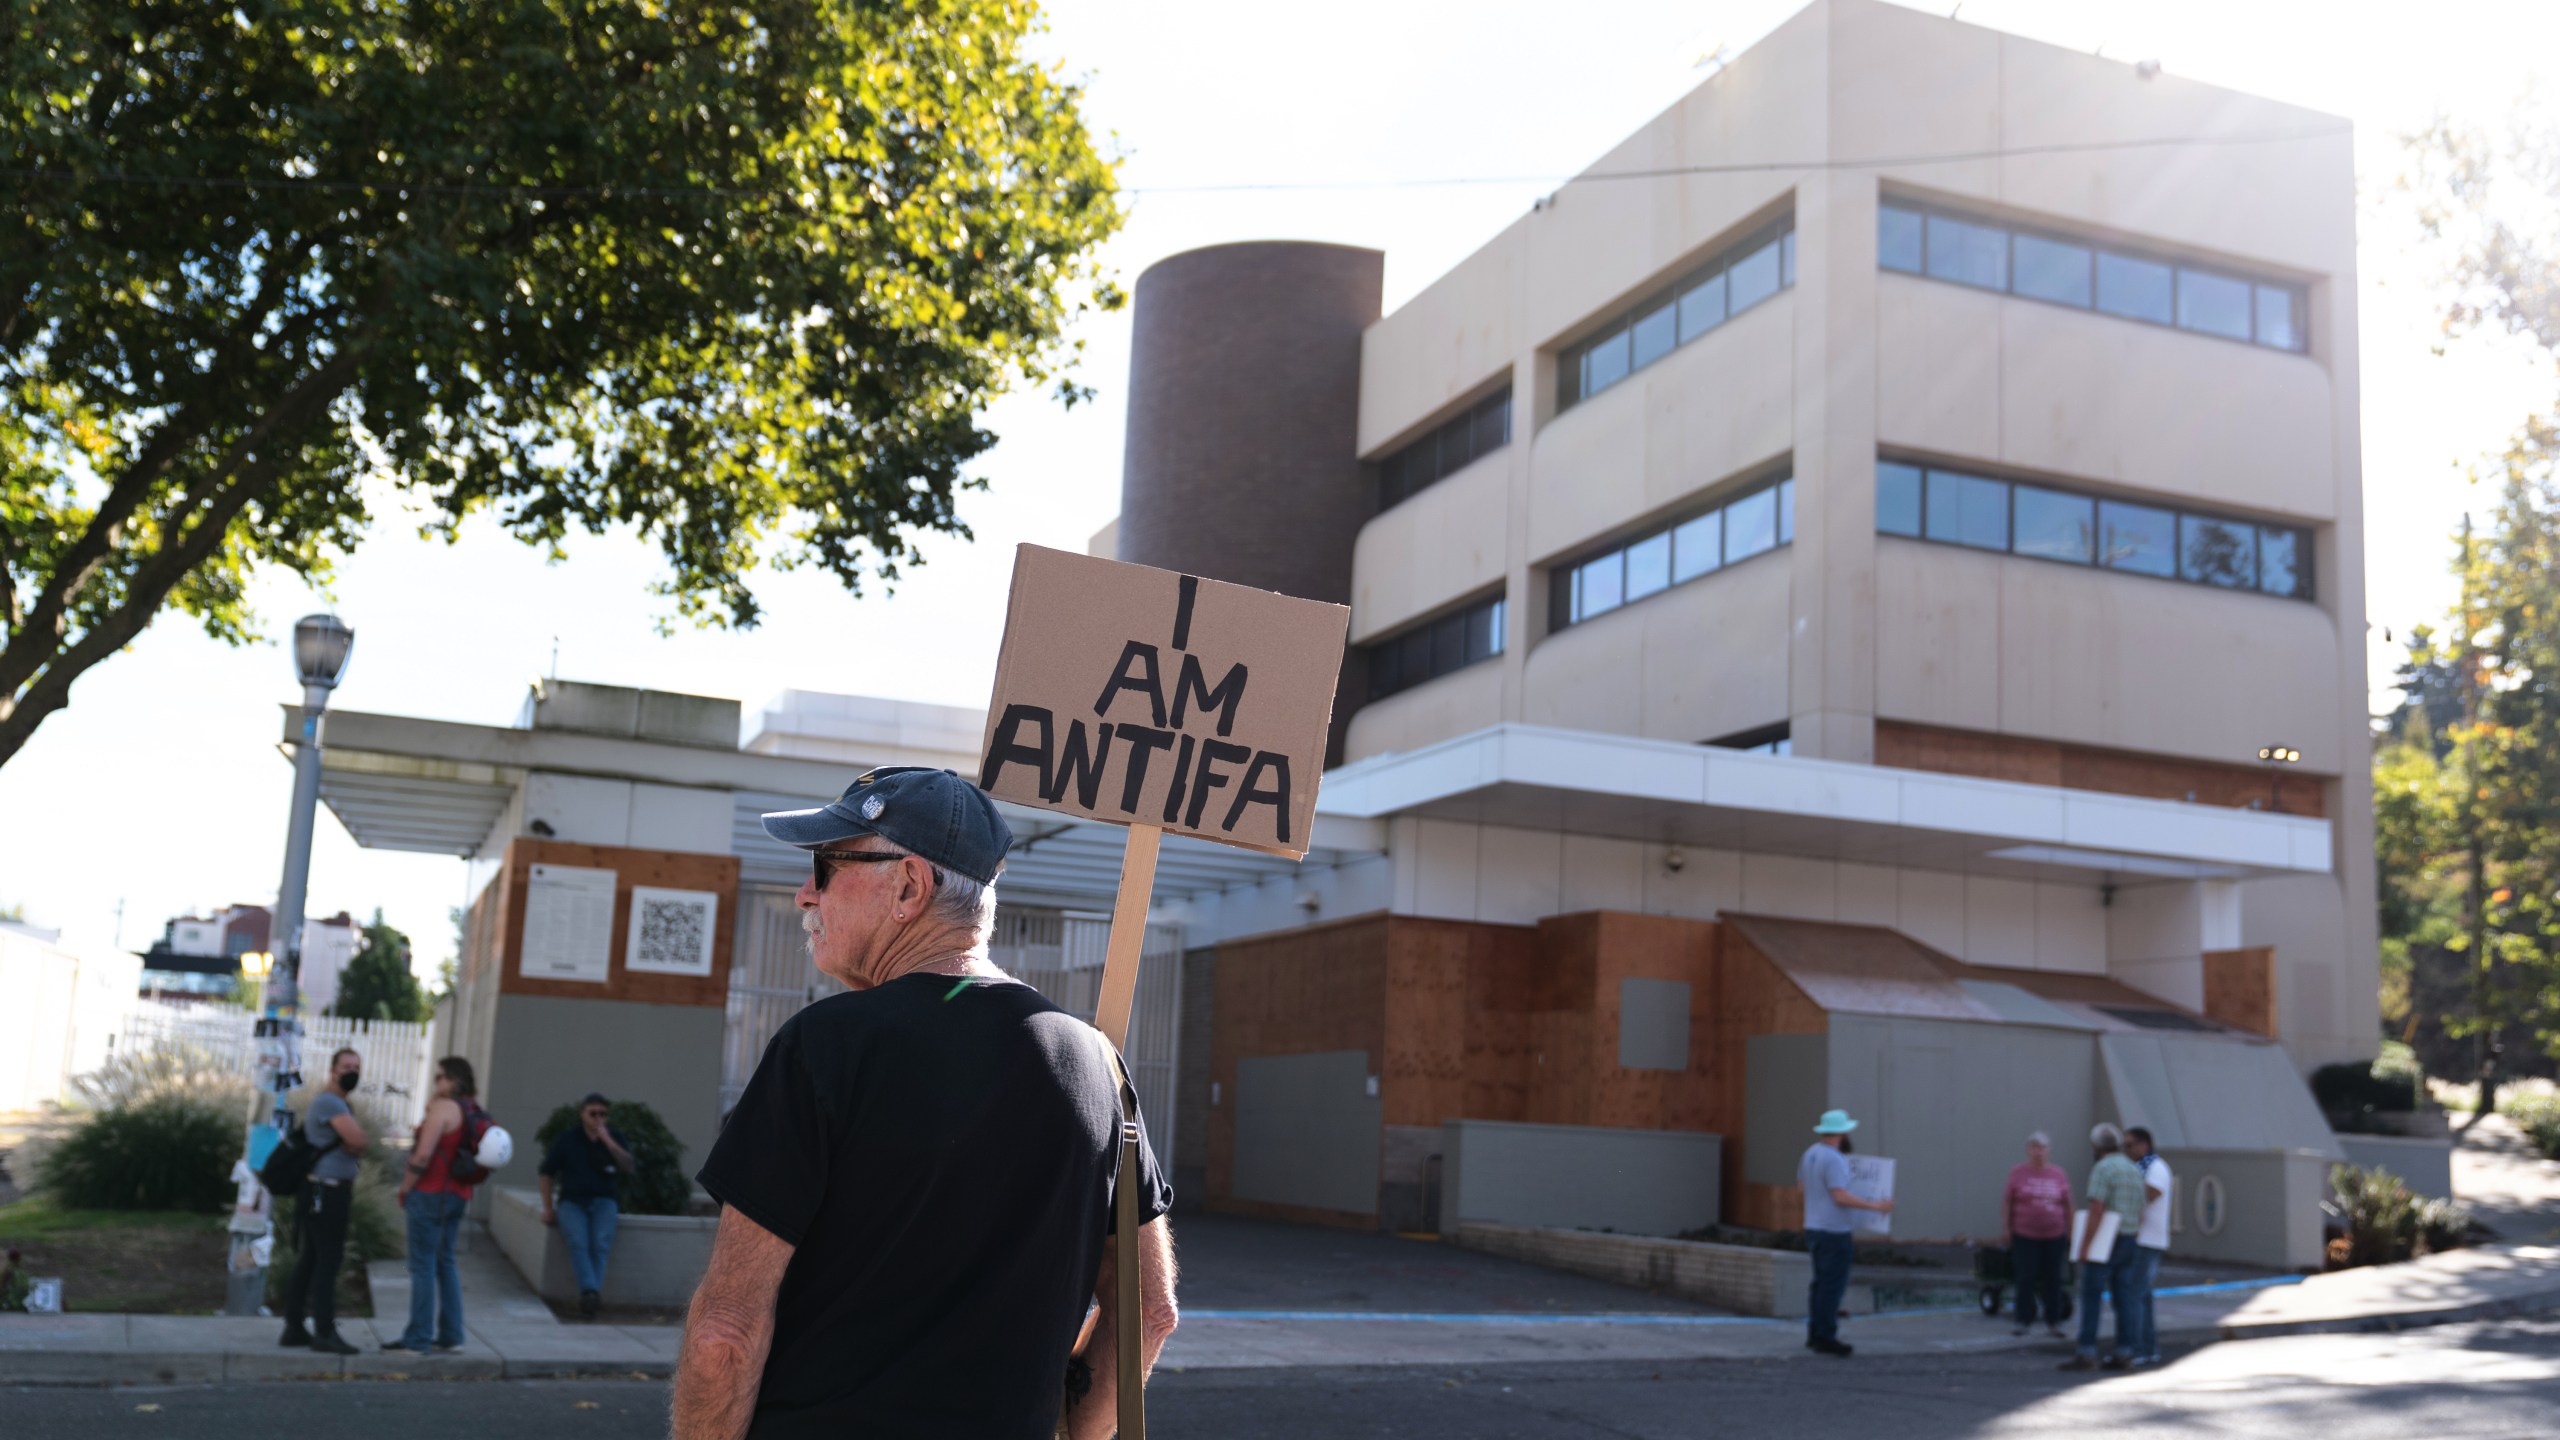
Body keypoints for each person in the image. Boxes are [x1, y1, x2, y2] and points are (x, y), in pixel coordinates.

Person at [673, 767, 1178, 1440]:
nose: (804, 895)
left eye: (826, 867)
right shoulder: (1099, 1066)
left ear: (909, 886)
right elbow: (1149, 1310)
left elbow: (725, 1335)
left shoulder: (826, 1048)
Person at [278, 1046, 369, 1355]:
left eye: (356, 1066)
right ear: (333, 1071)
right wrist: (352, 1143)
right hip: (326, 1192)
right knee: (328, 1262)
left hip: (323, 1190)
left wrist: (352, 1144)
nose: (352, 1071)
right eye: (346, 1066)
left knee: (311, 1259)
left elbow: (355, 1145)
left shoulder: (340, 1104)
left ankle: (294, 1327)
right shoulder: (330, 1102)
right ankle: (324, 1331)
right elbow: (359, 1142)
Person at [386, 1055, 478, 1354]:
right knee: (446, 1262)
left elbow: (422, 1156)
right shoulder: (469, 1109)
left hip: (430, 1194)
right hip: (457, 1195)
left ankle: (418, 1337)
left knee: (422, 1266)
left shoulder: (443, 1108)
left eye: (440, 1077)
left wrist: (405, 1188)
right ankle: (452, 1335)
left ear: (454, 1080)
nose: (436, 1082)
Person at [1799, 1108, 1894, 1359]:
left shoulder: (1810, 1154)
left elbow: (1802, 1187)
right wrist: (1876, 1206)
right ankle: (1826, 1337)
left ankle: (1814, 1333)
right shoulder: (1834, 1159)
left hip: (1813, 1227)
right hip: (1833, 1231)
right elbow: (1840, 1195)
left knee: (1819, 1285)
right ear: (1841, 1133)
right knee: (1832, 1287)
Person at [2061, 1122, 2148, 1372]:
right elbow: (2141, 1210)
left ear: (2095, 1146)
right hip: (2130, 1238)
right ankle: (2124, 1351)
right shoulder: (2133, 1170)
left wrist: (2086, 1245)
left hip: (2107, 1240)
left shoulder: (2102, 1168)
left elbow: (2097, 1209)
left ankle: (2086, 1351)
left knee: (2091, 1294)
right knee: (2124, 1298)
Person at [541, 1091, 636, 1319]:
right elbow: (546, 1173)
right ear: (583, 1113)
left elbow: (629, 1166)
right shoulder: (568, 1139)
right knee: (578, 1243)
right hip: (572, 1202)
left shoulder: (614, 1137)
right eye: (593, 1113)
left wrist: (608, 1141)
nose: (598, 1118)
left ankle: (589, 1294)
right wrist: (548, 1207)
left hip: (605, 1201)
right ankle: (590, 1292)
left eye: (603, 1114)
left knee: (601, 1245)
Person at [2001, 1130, 2074, 1339]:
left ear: (2048, 1151)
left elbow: (2068, 1203)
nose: (2038, 1152)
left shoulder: (2058, 1174)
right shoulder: (2017, 1173)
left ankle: (2054, 1321)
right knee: (2025, 1278)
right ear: (2028, 1151)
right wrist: (2006, 1228)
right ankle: (2022, 1320)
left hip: (2055, 1234)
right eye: (2034, 1148)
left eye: (2041, 1148)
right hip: (2025, 1234)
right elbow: (2007, 1202)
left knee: (2053, 1278)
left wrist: (2071, 1230)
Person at [2124, 1125, 2173, 1367]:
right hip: (2141, 1239)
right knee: (2142, 1296)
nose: (2127, 1150)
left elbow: (2150, 1194)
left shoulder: (2155, 1167)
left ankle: (2139, 1348)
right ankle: (2148, 1347)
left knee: (2134, 1293)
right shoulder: (2141, 1167)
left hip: (2148, 1241)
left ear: (2144, 1145)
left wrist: (2128, 1187)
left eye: (2130, 1145)